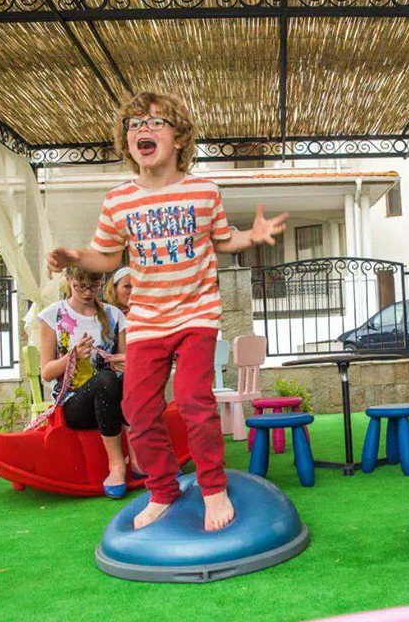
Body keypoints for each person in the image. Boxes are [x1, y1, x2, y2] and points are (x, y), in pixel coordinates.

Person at [46, 91, 287, 532]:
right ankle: (163, 489)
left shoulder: (204, 191)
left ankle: (213, 488)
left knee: (194, 399)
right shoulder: (118, 200)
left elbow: (222, 240)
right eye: (135, 124)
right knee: (137, 408)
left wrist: (251, 236)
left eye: (156, 122)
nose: (143, 129)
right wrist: (74, 255)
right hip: (147, 321)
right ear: (127, 140)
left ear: (178, 139)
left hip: (196, 313)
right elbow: (106, 255)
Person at [38, 266, 131, 497]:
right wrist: (73, 356)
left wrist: (122, 361)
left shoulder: (114, 315)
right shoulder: (52, 315)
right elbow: (46, 372)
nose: (88, 293)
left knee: (133, 380)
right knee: (105, 379)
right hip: (75, 405)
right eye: (81, 286)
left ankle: (143, 457)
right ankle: (117, 465)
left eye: (94, 286)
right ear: (69, 280)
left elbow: (127, 361)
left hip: (112, 400)